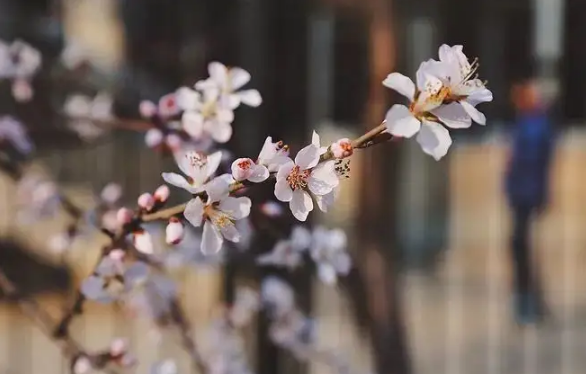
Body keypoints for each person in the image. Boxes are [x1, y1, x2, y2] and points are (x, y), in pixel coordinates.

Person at [504, 78, 556, 325]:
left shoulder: (535, 126)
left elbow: (529, 162)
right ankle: (530, 300)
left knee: (521, 247)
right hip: (522, 194)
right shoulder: (528, 123)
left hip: (527, 194)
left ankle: (528, 302)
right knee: (520, 247)